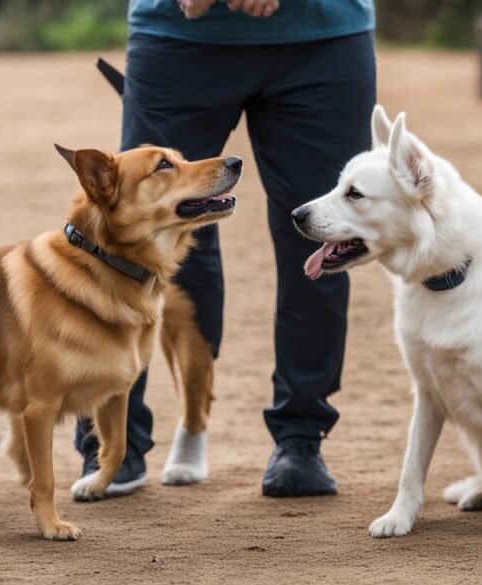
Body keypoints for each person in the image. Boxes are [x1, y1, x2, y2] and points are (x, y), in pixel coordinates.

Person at [75, 0, 376, 497]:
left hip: (322, 37)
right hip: (179, 34)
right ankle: (114, 439)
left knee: (322, 233)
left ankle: (301, 435)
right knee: (141, 234)